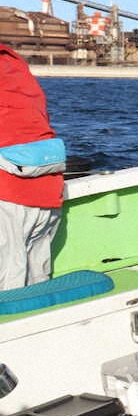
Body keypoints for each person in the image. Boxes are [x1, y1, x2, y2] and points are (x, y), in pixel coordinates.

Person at [0, 42, 65, 290]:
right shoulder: (14, 65)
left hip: (7, 192)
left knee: (9, 292)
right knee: (36, 283)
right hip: (47, 189)